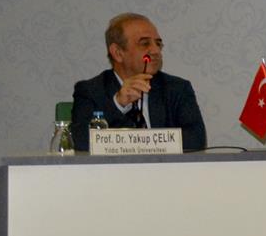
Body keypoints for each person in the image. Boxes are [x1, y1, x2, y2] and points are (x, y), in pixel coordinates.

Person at [71, 13, 208, 151]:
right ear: (118, 52)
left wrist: (143, 144)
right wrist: (118, 105)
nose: (156, 51)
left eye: (158, 43)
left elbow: (196, 140)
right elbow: (81, 141)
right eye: (145, 43)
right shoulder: (90, 91)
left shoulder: (177, 88)